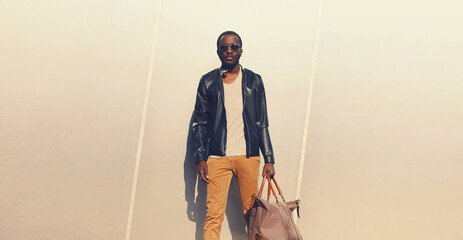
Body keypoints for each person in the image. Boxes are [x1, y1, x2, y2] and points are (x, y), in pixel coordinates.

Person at [192, 30, 276, 240]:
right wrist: (200, 158)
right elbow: (200, 122)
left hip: (248, 156)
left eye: (234, 47)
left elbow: (262, 122)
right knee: (213, 216)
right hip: (217, 157)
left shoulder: (254, 81)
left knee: (253, 216)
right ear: (218, 51)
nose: (229, 50)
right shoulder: (208, 82)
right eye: (224, 47)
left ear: (241, 50)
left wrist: (269, 159)